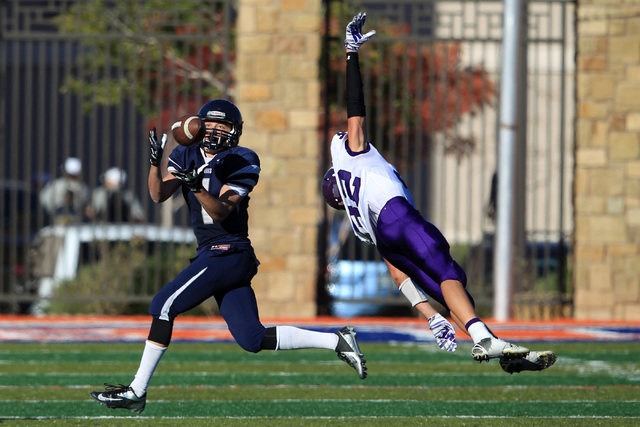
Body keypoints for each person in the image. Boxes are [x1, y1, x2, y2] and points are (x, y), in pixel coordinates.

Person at [90, 99, 367, 414]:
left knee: (163, 305)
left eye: (225, 126)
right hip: (214, 254)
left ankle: (136, 391)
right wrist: (155, 163)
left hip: (229, 251)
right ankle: (337, 341)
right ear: (201, 125)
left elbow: (221, 211)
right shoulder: (185, 152)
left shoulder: (242, 159)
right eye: (212, 124)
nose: (217, 131)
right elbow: (158, 194)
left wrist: (195, 186)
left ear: (236, 132)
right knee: (251, 338)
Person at [323, 12, 556, 372]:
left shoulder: (357, 221)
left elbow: (398, 274)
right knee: (448, 270)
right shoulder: (351, 155)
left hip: (387, 235)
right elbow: (356, 109)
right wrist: (351, 53)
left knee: (452, 289)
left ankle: (504, 354)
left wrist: (429, 315)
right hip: (398, 216)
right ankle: (484, 339)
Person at [39, 157, 90, 224]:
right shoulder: (84, 188)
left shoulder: (53, 185)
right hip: (76, 223)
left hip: (54, 221)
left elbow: (43, 201)